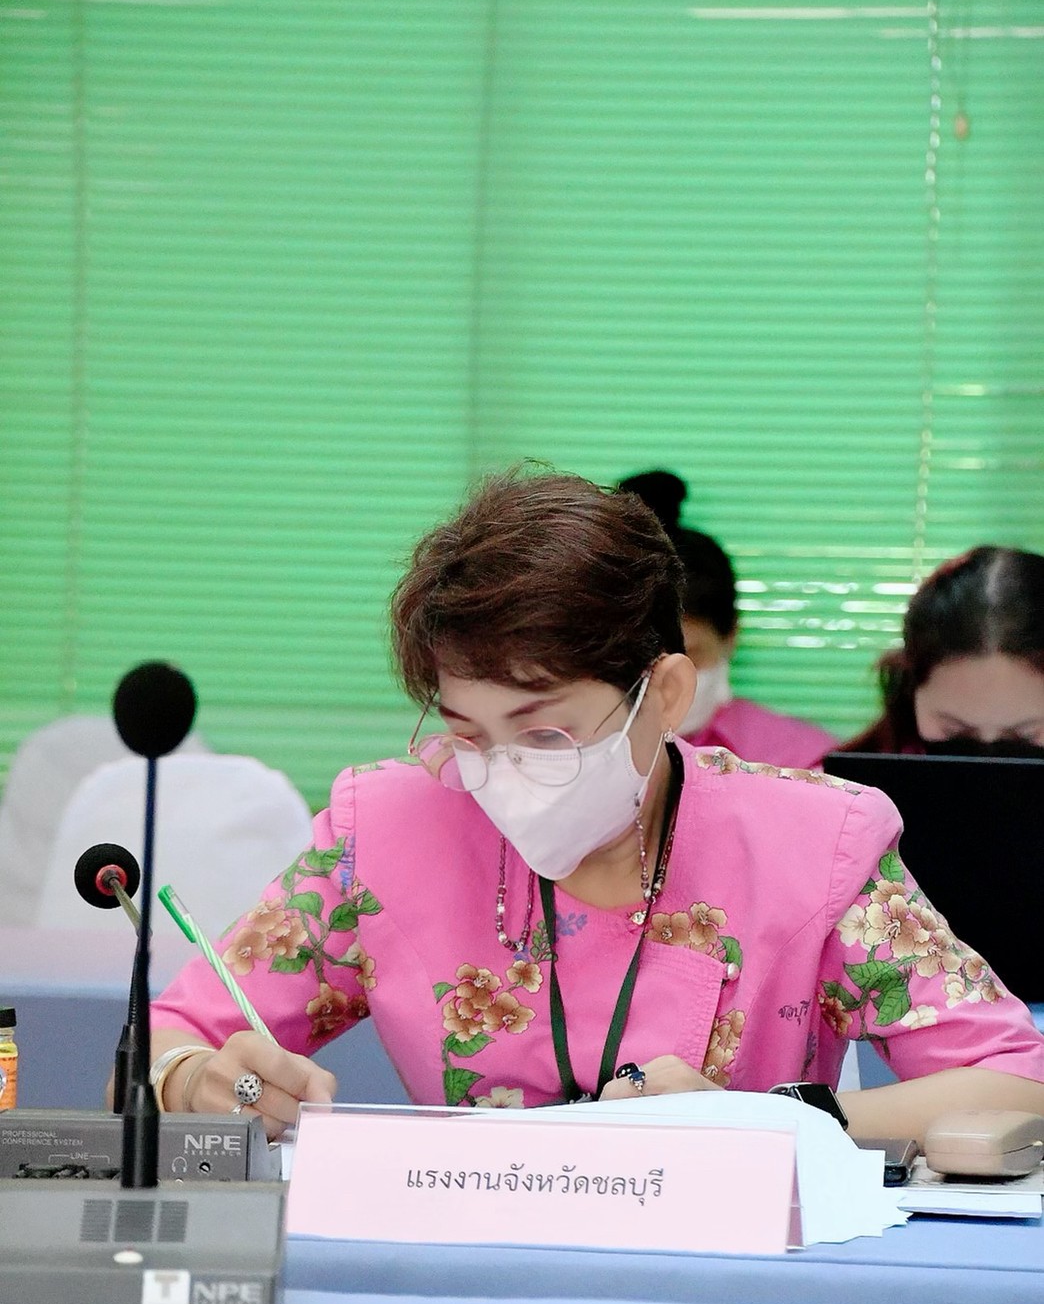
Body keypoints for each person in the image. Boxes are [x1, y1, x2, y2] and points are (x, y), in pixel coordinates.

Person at [146, 470, 1044, 1140]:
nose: (501, 773)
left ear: (665, 694)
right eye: (467, 733)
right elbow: (168, 1038)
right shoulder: (381, 832)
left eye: (544, 733)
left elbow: (1017, 1083)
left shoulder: (815, 843)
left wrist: (773, 1121)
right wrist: (192, 1079)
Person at [617, 469, 836, 768]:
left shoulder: (800, 762)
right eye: (643, 660)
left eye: (689, 656)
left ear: (730, 636)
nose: (667, 680)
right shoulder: (572, 753)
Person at [839, 545, 1044, 756]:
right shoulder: (843, 776)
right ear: (911, 690)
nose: (986, 758)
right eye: (954, 732)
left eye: (1026, 736)